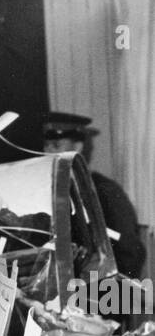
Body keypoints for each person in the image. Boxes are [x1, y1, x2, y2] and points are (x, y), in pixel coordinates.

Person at [42, 111, 146, 279]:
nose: (47, 152)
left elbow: (130, 251)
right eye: (46, 146)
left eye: (56, 145)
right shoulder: (49, 190)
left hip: (101, 293)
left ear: (77, 147)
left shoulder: (105, 190)